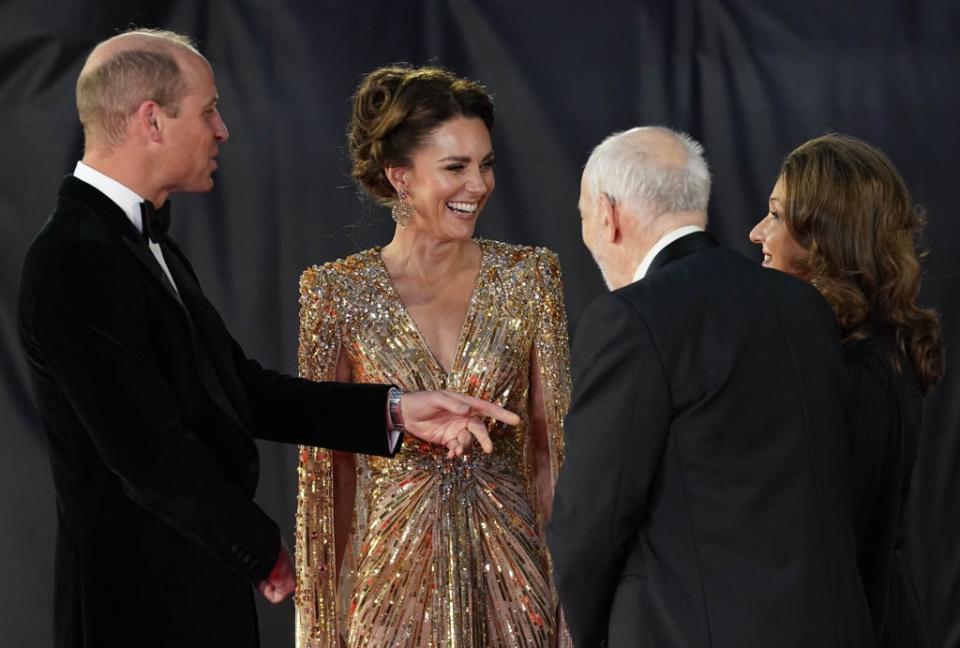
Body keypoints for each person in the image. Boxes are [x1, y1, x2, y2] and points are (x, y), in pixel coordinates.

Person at [17, 30, 519, 648]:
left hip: (199, 595)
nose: (222, 129)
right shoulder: (75, 258)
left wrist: (395, 410)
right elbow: (145, 453)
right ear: (152, 120)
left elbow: (242, 390)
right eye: (207, 111)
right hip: (136, 611)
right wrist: (260, 549)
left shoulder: (147, 248)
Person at [547, 126, 874, 647]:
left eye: (585, 214)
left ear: (607, 215)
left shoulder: (629, 320)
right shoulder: (804, 306)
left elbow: (589, 523)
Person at [294, 64, 572, 647]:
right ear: (400, 176)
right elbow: (329, 474)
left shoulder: (529, 278)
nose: (478, 184)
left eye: (486, 163)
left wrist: (572, 604)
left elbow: (551, 451)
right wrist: (320, 628)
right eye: (455, 167)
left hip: (514, 580)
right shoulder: (337, 293)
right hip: (393, 589)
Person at [749, 133, 944, 647]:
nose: (755, 233)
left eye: (774, 214)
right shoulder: (850, 351)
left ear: (824, 235)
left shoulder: (865, 367)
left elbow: (851, 555)